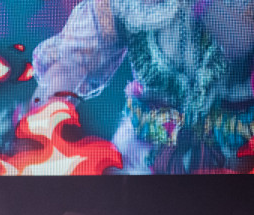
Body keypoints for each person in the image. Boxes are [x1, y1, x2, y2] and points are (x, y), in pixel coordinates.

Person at [29, 0, 254, 174]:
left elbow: (241, 42)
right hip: (141, 160)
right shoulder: (120, 5)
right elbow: (72, 62)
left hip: (234, 161)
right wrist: (41, 120)